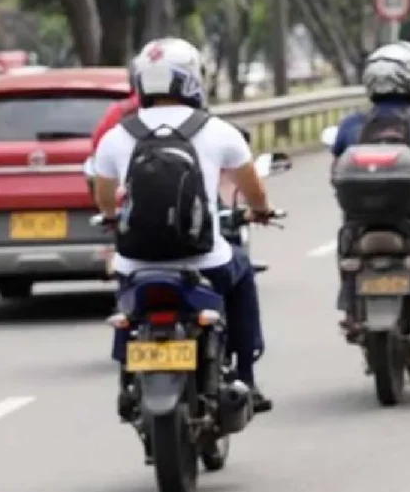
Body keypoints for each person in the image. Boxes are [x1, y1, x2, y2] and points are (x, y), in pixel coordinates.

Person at [92, 37, 275, 417]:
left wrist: (112, 217)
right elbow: (254, 192)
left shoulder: (116, 136)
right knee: (242, 276)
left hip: (136, 263)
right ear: (192, 80)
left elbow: (104, 199)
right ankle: (246, 376)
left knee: (128, 306)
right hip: (205, 261)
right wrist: (262, 211)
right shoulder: (218, 130)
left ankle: (128, 375)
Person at [330, 41, 410, 330]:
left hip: (360, 225)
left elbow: (335, 171)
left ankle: (350, 306)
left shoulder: (351, 126)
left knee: (346, 249)